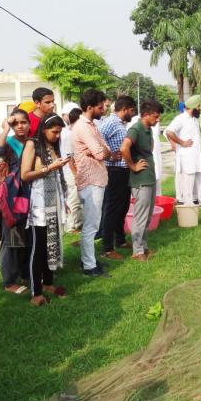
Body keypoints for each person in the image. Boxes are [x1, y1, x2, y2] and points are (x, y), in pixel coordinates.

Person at [20, 113, 69, 306]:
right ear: (44, 129)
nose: (57, 136)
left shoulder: (52, 145)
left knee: (51, 246)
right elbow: (25, 175)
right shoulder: (33, 144)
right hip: (38, 207)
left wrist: (62, 200)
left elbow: (58, 177)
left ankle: (48, 283)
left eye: (59, 133)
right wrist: (50, 167)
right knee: (37, 249)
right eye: (54, 132)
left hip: (53, 205)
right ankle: (36, 293)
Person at [0, 109, 31, 294]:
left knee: (26, 238)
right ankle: (9, 281)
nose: (20, 126)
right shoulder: (9, 143)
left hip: (29, 196)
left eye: (24, 122)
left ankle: (24, 273)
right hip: (12, 199)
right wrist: (6, 129)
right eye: (16, 124)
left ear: (29, 123)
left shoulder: (33, 142)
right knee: (11, 239)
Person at [73, 89, 112, 277]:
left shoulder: (92, 125)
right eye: (100, 106)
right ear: (90, 108)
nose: (103, 109)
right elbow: (100, 153)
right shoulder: (83, 126)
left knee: (93, 224)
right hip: (90, 180)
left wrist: (102, 150)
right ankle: (89, 266)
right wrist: (101, 151)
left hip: (97, 178)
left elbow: (107, 149)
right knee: (91, 226)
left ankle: (89, 260)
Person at [120, 101, 163, 261]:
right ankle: (137, 251)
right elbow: (124, 148)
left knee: (147, 215)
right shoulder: (136, 128)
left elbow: (148, 149)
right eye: (155, 116)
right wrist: (133, 166)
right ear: (145, 114)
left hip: (149, 177)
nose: (157, 120)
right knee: (140, 216)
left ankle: (143, 247)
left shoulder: (148, 129)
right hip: (141, 180)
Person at [98, 96, 137, 260]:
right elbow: (97, 141)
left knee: (122, 207)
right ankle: (107, 248)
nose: (133, 114)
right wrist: (109, 157)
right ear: (125, 109)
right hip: (114, 171)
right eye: (132, 110)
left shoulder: (121, 123)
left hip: (123, 170)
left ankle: (120, 240)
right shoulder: (110, 122)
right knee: (112, 209)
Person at [165, 95, 201, 206]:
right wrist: (181, 142)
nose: (200, 109)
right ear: (195, 107)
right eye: (199, 107)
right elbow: (169, 132)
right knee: (188, 181)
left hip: (197, 154)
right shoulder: (181, 119)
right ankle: (188, 204)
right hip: (187, 156)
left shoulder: (194, 118)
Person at [60, 103, 82, 233]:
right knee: (73, 199)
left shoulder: (71, 132)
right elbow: (70, 158)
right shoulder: (68, 134)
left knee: (77, 199)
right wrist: (76, 174)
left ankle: (77, 224)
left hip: (73, 171)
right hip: (71, 172)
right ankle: (72, 226)